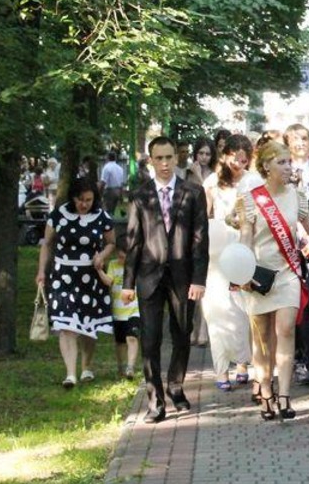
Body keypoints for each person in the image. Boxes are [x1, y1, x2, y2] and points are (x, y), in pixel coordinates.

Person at [121, 136, 210, 424]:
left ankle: (176, 386)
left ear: (176, 158)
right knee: (150, 339)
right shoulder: (140, 195)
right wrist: (127, 283)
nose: (164, 163)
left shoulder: (193, 192)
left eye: (169, 157)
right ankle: (155, 401)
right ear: (150, 161)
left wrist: (199, 279)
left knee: (182, 333)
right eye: (158, 158)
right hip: (149, 276)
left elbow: (200, 239)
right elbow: (133, 241)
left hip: (183, 276)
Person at [236, 138, 309, 421]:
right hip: (258, 275)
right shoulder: (251, 199)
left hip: (288, 273)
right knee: (262, 338)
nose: (288, 167)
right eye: (281, 162)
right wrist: (242, 272)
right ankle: (265, 389)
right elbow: (245, 238)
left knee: (286, 330)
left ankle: (285, 395)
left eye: (289, 162)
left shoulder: (297, 196)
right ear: (266, 166)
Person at [35, 177, 116, 388]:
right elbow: (47, 244)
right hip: (63, 276)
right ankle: (70, 373)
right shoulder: (58, 215)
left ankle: (86, 367)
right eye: (80, 199)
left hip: (91, 277)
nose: (84, 204)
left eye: (89, 200)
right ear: (73, 197)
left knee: (89, 325)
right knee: (66, 324)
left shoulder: (102, 217)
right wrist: (41, 271)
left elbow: (111, 243)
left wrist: (102, 256)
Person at [201, 134, 256, 391]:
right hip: (217, 250)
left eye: (244, 161)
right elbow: (202, 217)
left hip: (244, 248)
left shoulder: (253, 181)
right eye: (235, 159)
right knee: (217, 309)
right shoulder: (212, 182)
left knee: (242, 309)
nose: (239, 165)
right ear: (225, 155)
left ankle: (243, 363)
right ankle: (221, 369)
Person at [99, 233, 140, 379]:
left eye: (125, 257)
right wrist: (99, 270)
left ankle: (130, 367)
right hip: (118, 312)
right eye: (120, 256)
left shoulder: (137, 266)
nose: (123, 260)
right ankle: (121, 366)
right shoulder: (113, 265)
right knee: (120, 342)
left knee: (132, 337)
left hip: (134, 310)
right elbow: (108, 282)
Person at [100, 152, 127, 216]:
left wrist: (100, 193)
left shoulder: (106, 167)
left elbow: (103, 182)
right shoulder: (120, 168)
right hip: (118, 191)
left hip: (109, 191)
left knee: (106, 211)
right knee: (112, 211)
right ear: (115, 158)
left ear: (108, 158)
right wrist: (121, 195)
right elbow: (122, 183)